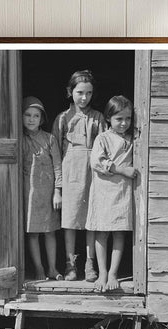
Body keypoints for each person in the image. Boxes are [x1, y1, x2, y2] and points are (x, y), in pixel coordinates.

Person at [52, 70, 107, 282]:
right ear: (70, 92)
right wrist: (58, 185)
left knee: (91, 219)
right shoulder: (62, 118)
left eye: (89, 93)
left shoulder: (99, 118)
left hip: (92, 172)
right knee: (71, 219)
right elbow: (55, 151)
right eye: (79, 92)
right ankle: (70, 264)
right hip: (69, 172)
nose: (84, 97)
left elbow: (104, 146)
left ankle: (90, 263)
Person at [86, 96, 138, 292]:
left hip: (123, 193)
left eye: (128, 118)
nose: (124, 123)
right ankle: (102, 273)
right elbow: (96, 162)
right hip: (104, 192)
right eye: (119, 119)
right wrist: (121, 169)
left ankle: (114, 273)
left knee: (119, 231)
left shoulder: (133, 138)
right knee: (102, 232)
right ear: (108, 118)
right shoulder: (103, 138)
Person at [22, 96, 63, 281]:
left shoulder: (50, 139)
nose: (31, 119)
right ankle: (38, 269)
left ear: (42, 118)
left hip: (48, 192)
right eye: (27, 114)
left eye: (36, 115)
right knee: (33, 233)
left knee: (50, 231)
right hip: (28, 193)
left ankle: (52, 268)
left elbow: (57, 166)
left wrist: (58, 191)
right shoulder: (20, 140)